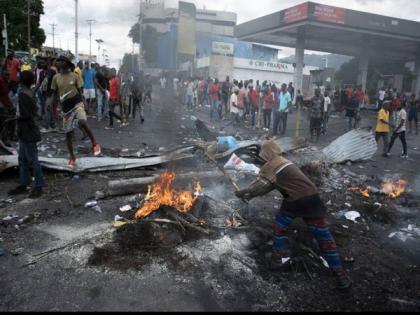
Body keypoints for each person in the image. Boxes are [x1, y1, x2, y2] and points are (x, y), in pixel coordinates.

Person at [235, 140, 353, 290]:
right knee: (324, 238)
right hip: (313, 199)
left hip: (295, 201)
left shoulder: (271, 165)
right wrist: (250, 196)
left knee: (279, 228)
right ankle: (341, 276)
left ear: (266, 153)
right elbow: (270, 186)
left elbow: (260, 185)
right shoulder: (284, 161)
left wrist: (244, 192)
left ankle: (276, 261)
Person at [50, 56, 101, 167]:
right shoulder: (56, 77)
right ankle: (72, 157)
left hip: (77, 104)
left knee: (82, 122)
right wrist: (52, 107)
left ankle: (94, 143)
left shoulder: (75, 76)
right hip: (65, 108)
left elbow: (81, 91)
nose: (58, 62)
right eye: (58, 61)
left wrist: (85, 104)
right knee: (68, 134)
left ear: (67, 63)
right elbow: (54, 94)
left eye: (61, 60)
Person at [8, 71, 44, 199]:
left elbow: (27, 115)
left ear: (21, 81)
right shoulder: (30, 93)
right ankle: (24, 183)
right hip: (28, 129)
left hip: (27, 130)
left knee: (31, 159)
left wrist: (15, 118)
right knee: (23, 159)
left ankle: (38, 185)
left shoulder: (23, 94)